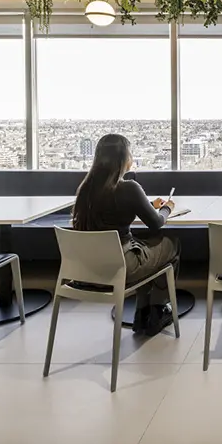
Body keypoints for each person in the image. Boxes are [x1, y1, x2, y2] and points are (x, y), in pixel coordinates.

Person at [72, 133, 180, 336]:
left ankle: (142, 313)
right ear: (123, 159)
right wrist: (167, 208)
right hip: (121, 267)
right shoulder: (129, 188)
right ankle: (157, 310)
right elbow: (156, 224)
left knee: (145, 248)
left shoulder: (85, 188)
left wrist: (148, 205)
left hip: (85, 270)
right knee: (170, 243)